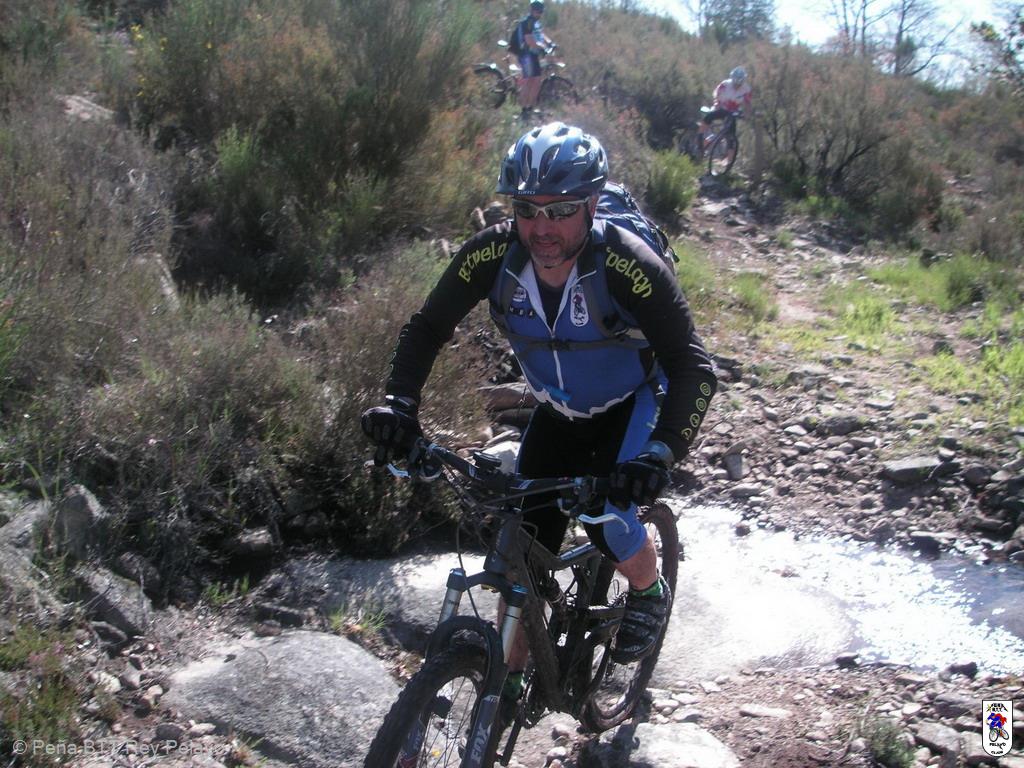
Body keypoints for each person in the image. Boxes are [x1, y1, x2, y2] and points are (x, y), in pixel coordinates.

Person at [361, 122, 717, 720]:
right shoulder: (493, 254)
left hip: (631, 402)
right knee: (522, 552)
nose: (542, 228)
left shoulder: (626, 264)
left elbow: (693, 367)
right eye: (527, 210)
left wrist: (660, 453)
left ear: (592, 206)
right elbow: (427, 328)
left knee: (609, 517)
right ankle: (507, 685)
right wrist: (401, 407)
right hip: (557, 409)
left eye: (561, 210)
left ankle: (648, 589)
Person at [511, 0, 554, 119]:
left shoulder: (536, 22)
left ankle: (529, 108)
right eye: (537, 11)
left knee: (536, 81)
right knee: (529, 82)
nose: (539, 14)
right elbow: (529, 40)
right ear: (532, 10)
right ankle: (524, 110)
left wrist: (550, 42)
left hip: (532, 55)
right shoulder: (528, 22)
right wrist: (543, 47)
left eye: (541, 12)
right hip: (526, 55)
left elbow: (541, 34)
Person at [698, 66, 752, 145]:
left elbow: (748, 103)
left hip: (732, 112)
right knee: (708, 117)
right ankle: (699, 137)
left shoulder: (746, 89)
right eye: (735, 82)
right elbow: (716, 94)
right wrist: (717, 103)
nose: (737, 85)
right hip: (721, 107)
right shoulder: (725, 84)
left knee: (731, 136)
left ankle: (729, 151)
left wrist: (747, 114)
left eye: (740, 83)